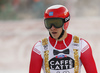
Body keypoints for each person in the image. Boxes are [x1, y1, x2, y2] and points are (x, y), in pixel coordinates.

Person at [29, 5, 98, 73]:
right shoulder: (39, 48)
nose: (52, 28)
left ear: (65, 23)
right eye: (48, 23)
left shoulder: (82, 45)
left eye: (57, 23)